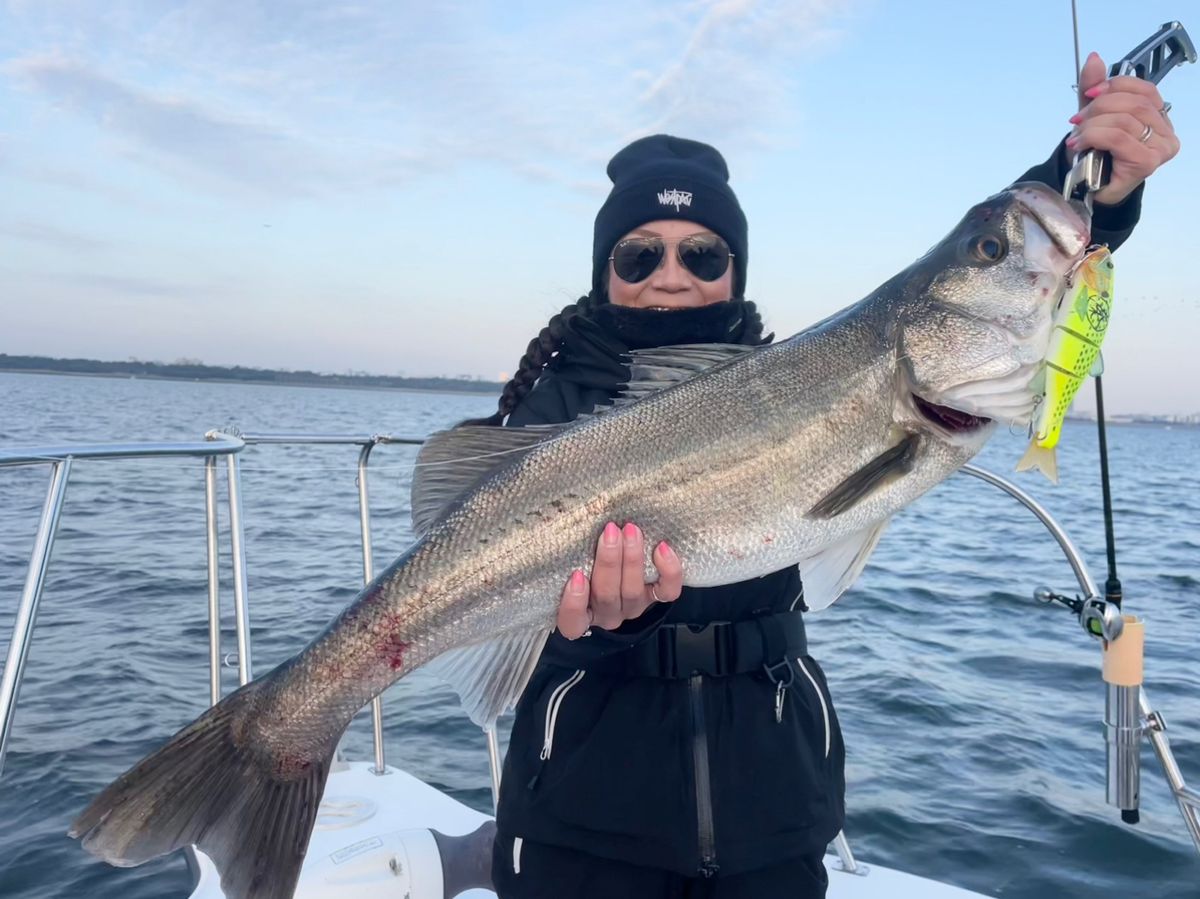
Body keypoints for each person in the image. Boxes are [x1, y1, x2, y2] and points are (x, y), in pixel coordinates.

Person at [469, 52, 1179, 898]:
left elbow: (940, 289)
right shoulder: (550, 414)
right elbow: (503, 611)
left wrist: (1090, 183)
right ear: (602, 271)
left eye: (702, 253)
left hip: (770, 810)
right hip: (580, 822)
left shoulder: (799, 377)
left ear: (735, 268)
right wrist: (604, 625)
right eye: (638, 255)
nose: (671, 273)